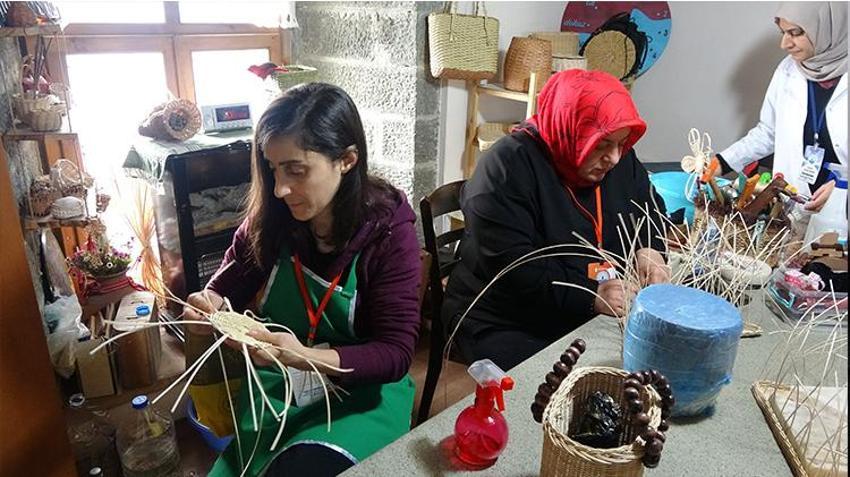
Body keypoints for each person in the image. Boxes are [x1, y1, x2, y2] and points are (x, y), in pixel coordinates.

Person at [183, 83, 421, 476]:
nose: (280, 188)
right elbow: (223, 290)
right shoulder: (272, 219)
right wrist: (209, 305)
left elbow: (396, 354)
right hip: (279, 388)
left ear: (346, 159)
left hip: (359, 395)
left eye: (296, 170)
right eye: (273, 169)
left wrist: (307, 356)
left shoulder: (388, 232)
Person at [442, 70, 670, 372]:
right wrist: (591, 294)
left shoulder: (620, 160)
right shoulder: (505, 169)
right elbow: (514, 269)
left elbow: (650, 208)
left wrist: (650, 249)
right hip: (503, 316)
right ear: (570, 129)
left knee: (646, 362)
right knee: (568, 386)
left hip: (583, 308)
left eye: (621, 143)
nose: (614, 157)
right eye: (601, 144)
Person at [714, 2, 847, 230]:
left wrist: (844, 189)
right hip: (794, 204)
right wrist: (722, 161)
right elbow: (768, 132)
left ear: (827, 28)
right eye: (783, 33)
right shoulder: (788, 70)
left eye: (796, 33)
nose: (784, 44)